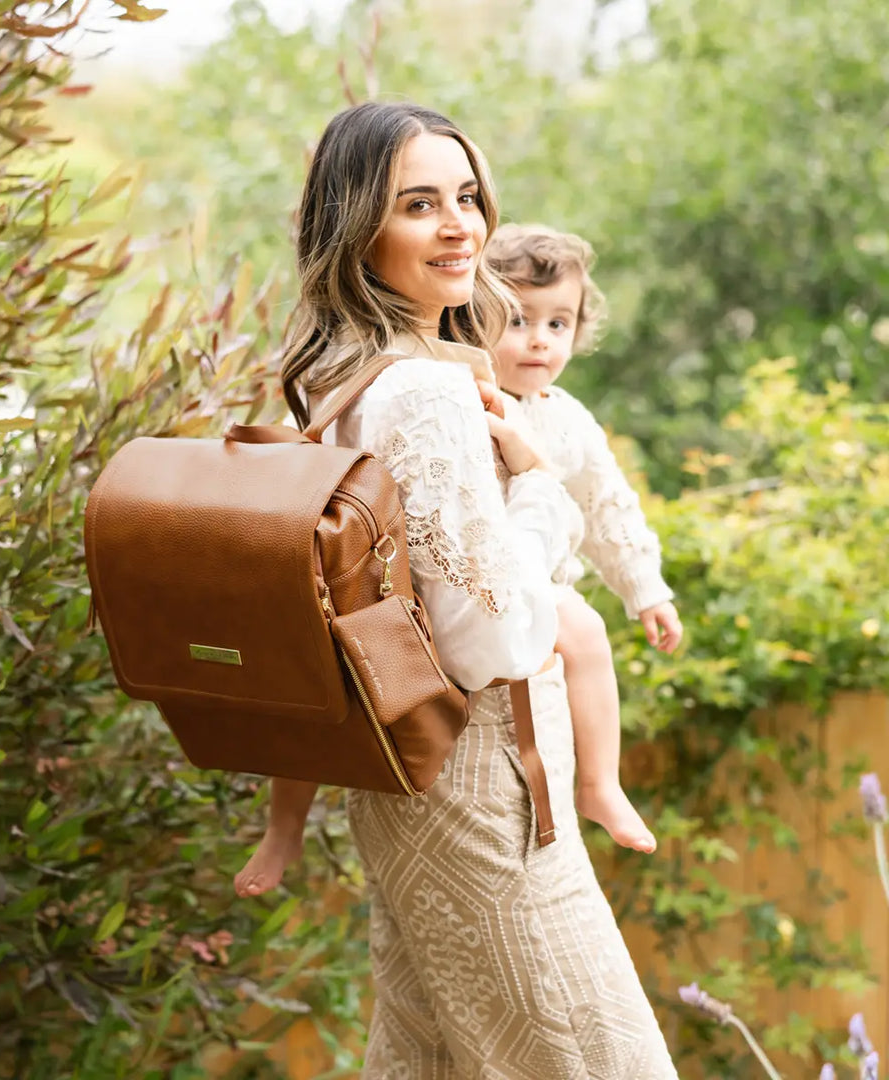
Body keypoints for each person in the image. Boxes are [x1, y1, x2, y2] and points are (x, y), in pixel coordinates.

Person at [237, 100, 680, 1077]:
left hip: (396, 788)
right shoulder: (431, 391)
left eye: (468, 197)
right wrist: (535, 484)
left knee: (433, 1056)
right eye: (418, 205)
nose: (459, 226)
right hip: (489, 795)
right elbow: (502, 635)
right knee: (599, 1058)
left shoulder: (336, 380)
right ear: (358, 232)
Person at [487, 223, 683, 854]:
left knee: (587, 636)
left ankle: (598, 783)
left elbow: (607, 507)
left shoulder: (567, 419)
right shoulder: (469, 396)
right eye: (518, 319)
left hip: (541, 583)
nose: (539, 340)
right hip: (481, 577)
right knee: (582, 632)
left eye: (558, 323)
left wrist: (647, 590)